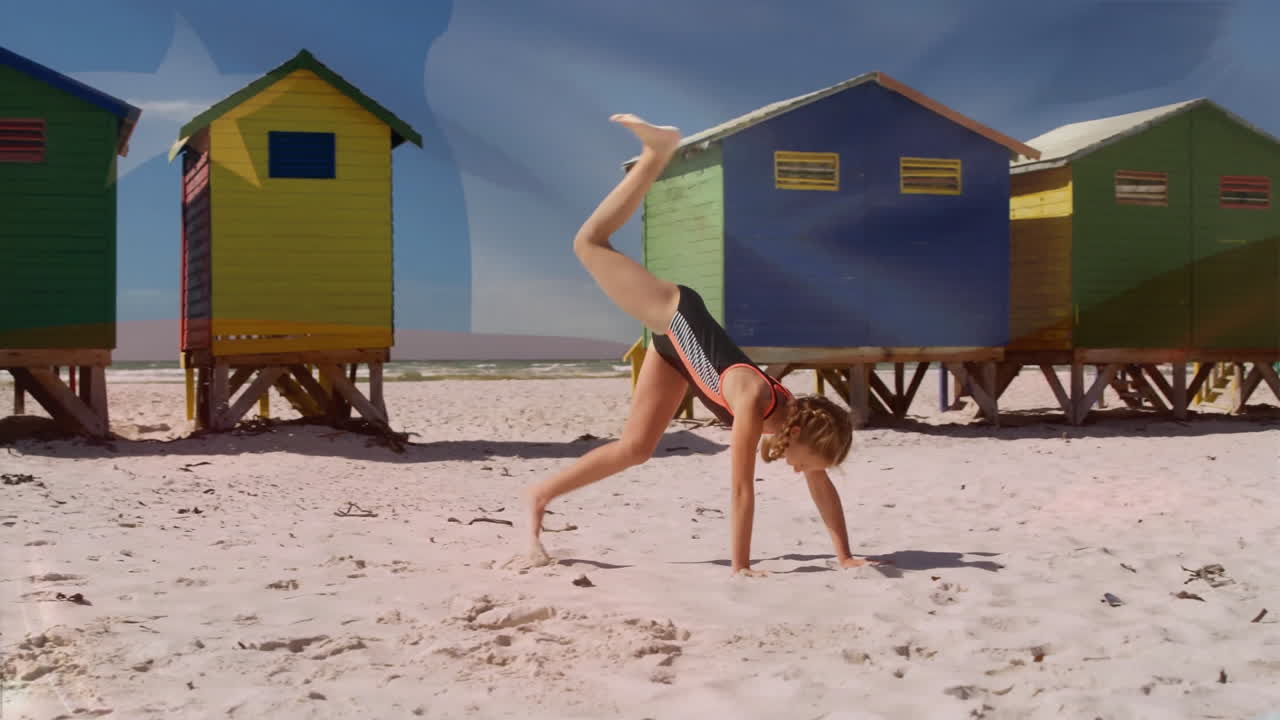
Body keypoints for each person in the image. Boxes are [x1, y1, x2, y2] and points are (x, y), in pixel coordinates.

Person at [525, 114, 872, 577]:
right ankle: (657, 153)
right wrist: (741, 566)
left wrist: (844, 555)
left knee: (635, 448)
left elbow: (821, 486)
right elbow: (741, 491)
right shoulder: (753, 403)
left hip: (675, 356)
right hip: (675, 315)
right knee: (588, 242)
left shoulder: (794, 421)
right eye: (808, 461)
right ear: (801, 437)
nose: (801, 471)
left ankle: (539, 494)